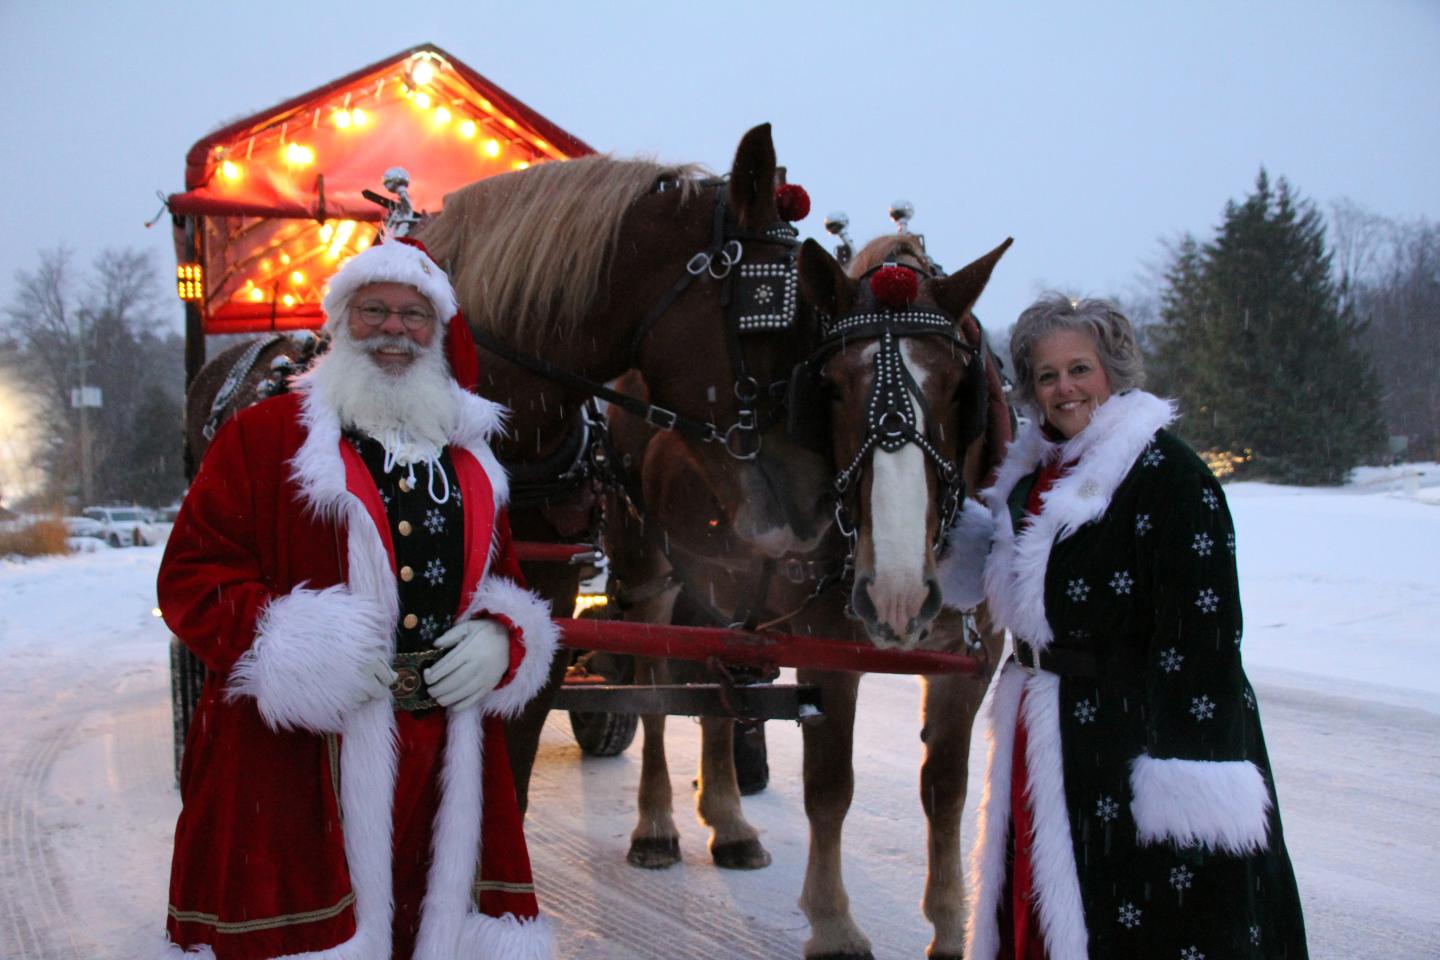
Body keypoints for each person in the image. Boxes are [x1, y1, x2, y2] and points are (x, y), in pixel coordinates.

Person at [156, 239, 558, 960]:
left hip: (444, 761)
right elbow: (191, 576)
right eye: (373, 311)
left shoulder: (470, 459)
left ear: (440, 334)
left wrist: (506, 637)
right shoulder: (263, 438)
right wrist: (293, 645)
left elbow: (508, 583)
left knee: (429, 930)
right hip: (297, 762)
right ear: (339, 323)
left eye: (414, 316)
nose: (394, 331)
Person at [939, 295, 1307, 959]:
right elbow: (989, 584)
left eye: (1080, 368)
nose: (1065, 388)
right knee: (1041, 901)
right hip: (1037, 726)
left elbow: (1204, 644)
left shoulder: (1170, 478)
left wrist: (1183, 782)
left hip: (1127, 737)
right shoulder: (1031, 475)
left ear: (1113, 369)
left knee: (1135, 915)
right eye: (1047, 375)